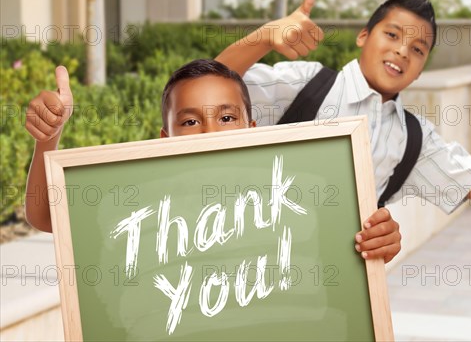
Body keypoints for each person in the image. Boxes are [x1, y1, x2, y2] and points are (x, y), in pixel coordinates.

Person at [215, 0, 471, 260]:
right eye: (392, 34)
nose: (402, 50)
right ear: (364, 36)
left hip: (330, 293)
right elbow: (206, 92)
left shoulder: (414, 139)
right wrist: (264, 37)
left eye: (418, 49)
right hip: (250, 266)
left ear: (421, 70)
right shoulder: (306, 85)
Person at [24, 59, 399, 262]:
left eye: (226, 117)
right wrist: (48, 138)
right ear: (165, 139)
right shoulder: (142, 201)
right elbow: (45, 216)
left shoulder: (292, 198)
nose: (210, 133)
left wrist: (380, 241)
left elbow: (349, 246)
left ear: (251, 128)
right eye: (190, 121)